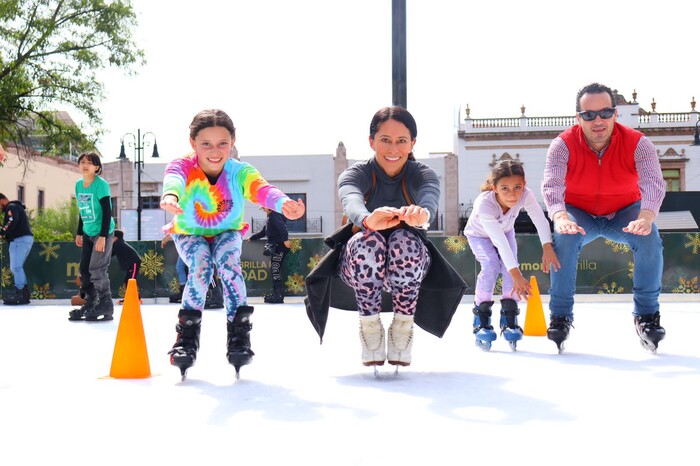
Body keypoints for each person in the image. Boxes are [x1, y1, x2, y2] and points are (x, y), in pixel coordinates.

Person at [305, 106, 467, 371]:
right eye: (385, 140)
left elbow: (429, 201)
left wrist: (421, 215)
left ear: (412, 143)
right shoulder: (354, 174)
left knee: (404, 240)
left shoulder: (423, 174)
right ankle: (370, 328)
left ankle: (403, 327)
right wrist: (369, 220)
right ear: (372, 141)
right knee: (368, 241)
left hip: (410, 265)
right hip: (359, 266)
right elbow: (351, 200)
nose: (393, 149)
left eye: (402, 141)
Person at [160, 108, 305, 380]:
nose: (215, 152)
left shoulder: (239, 172)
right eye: (206, 144)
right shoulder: (183, 166)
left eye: (222, 144)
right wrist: (170, 196)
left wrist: (283, 203)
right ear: (193, 143)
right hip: (190, 233)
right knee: (201, 266)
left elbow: (262, 189)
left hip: (227, 231)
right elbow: (174, 181)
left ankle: (238, 334)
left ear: (233, 141)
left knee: (228, 263)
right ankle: (186, 337)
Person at [541, 82, 667, 353]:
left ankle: (646, 316)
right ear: (578, 118)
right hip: (579, 213)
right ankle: (560, 316)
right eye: (589, 115)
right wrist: (560, 215)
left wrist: (646, 216)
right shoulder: (561, 145)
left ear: (615, 114)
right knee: (565, 236)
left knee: (650, 238)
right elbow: (552, 184)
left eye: (605, 113)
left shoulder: (638, 143)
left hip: (625, 213)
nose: (597, 121)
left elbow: (653, 182)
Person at [464, 160, 559, 350]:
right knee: (491, 265)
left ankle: (509, 318)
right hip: (479, 235)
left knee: (510, 270)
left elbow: (539, 219)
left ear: (523, 185)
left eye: (517, 187)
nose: (512, 194)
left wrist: (547, 246)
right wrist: (517, 274)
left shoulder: (526, 195)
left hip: (506, 232)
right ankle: (481, 319)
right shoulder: (485, 204)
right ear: (495, 188)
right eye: (505, 188)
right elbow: (498, 241)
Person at [68, 152, 116, 322]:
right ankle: (91, 301)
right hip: (88, 232)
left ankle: (106, 303)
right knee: (84, 270)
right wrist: (79, 232)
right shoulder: (78, 185)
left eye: (89, 162)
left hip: (102, 232)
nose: (85, 165)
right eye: (82, 162)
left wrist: (103, 236)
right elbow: (83, 209)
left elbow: (107, 211)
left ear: (97, 167)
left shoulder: (101, 185)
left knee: (97, 268)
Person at [249, 207, 291, 303]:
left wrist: (285, 240)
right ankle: (277, 294)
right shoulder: (271, 217)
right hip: (277, 245)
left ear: (269, 207)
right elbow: (264, 232)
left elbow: (281, 227)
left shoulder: (274, 215)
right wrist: (252, 238)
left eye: (264, 208)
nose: (264, 210)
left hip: (279, 246)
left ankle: (278, 295)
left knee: (275, 269)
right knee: (275, 269)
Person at [0, 193, 34, 305]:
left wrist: (2, 232)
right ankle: (23, 293)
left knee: (16, 267)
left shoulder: (11, 207)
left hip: (19, 240)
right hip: (25, 239)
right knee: (18, 267)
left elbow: (11, 221)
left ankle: (21, 293)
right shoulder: (16, 207)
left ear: (2, 200)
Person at [112, 229, 142, 305]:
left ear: (115, 238)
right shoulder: (119, 243)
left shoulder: (118, 244)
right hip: (131, 264)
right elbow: (111, 253)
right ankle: (132, 298)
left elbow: (109, 253)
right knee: (128, 280)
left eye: (111, 237)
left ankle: (136, 299)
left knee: (131, 280)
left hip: (134, 262)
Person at [162, 233, 188, 303]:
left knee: (181, 267)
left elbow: (176, 230)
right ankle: (184, 291)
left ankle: (185, 292)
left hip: (188, 245)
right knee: (180, 267)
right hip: (185, 246)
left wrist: (166, 238)